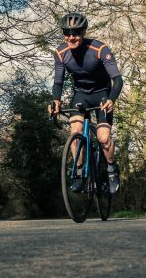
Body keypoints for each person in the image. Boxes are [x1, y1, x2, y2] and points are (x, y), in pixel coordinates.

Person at [48, 12, 123, 193]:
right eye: (67, 33)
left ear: (83, 32)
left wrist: (112, 99)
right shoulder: (61, 53)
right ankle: (79, 173)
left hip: (102, 94)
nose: (71, 37)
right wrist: (56, 101)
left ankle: (111, 169)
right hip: (80, 94)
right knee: (75, 132)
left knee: (103, 138)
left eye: (76, 33)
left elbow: (118, 80)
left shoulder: (99, 49)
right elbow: (58, 82)